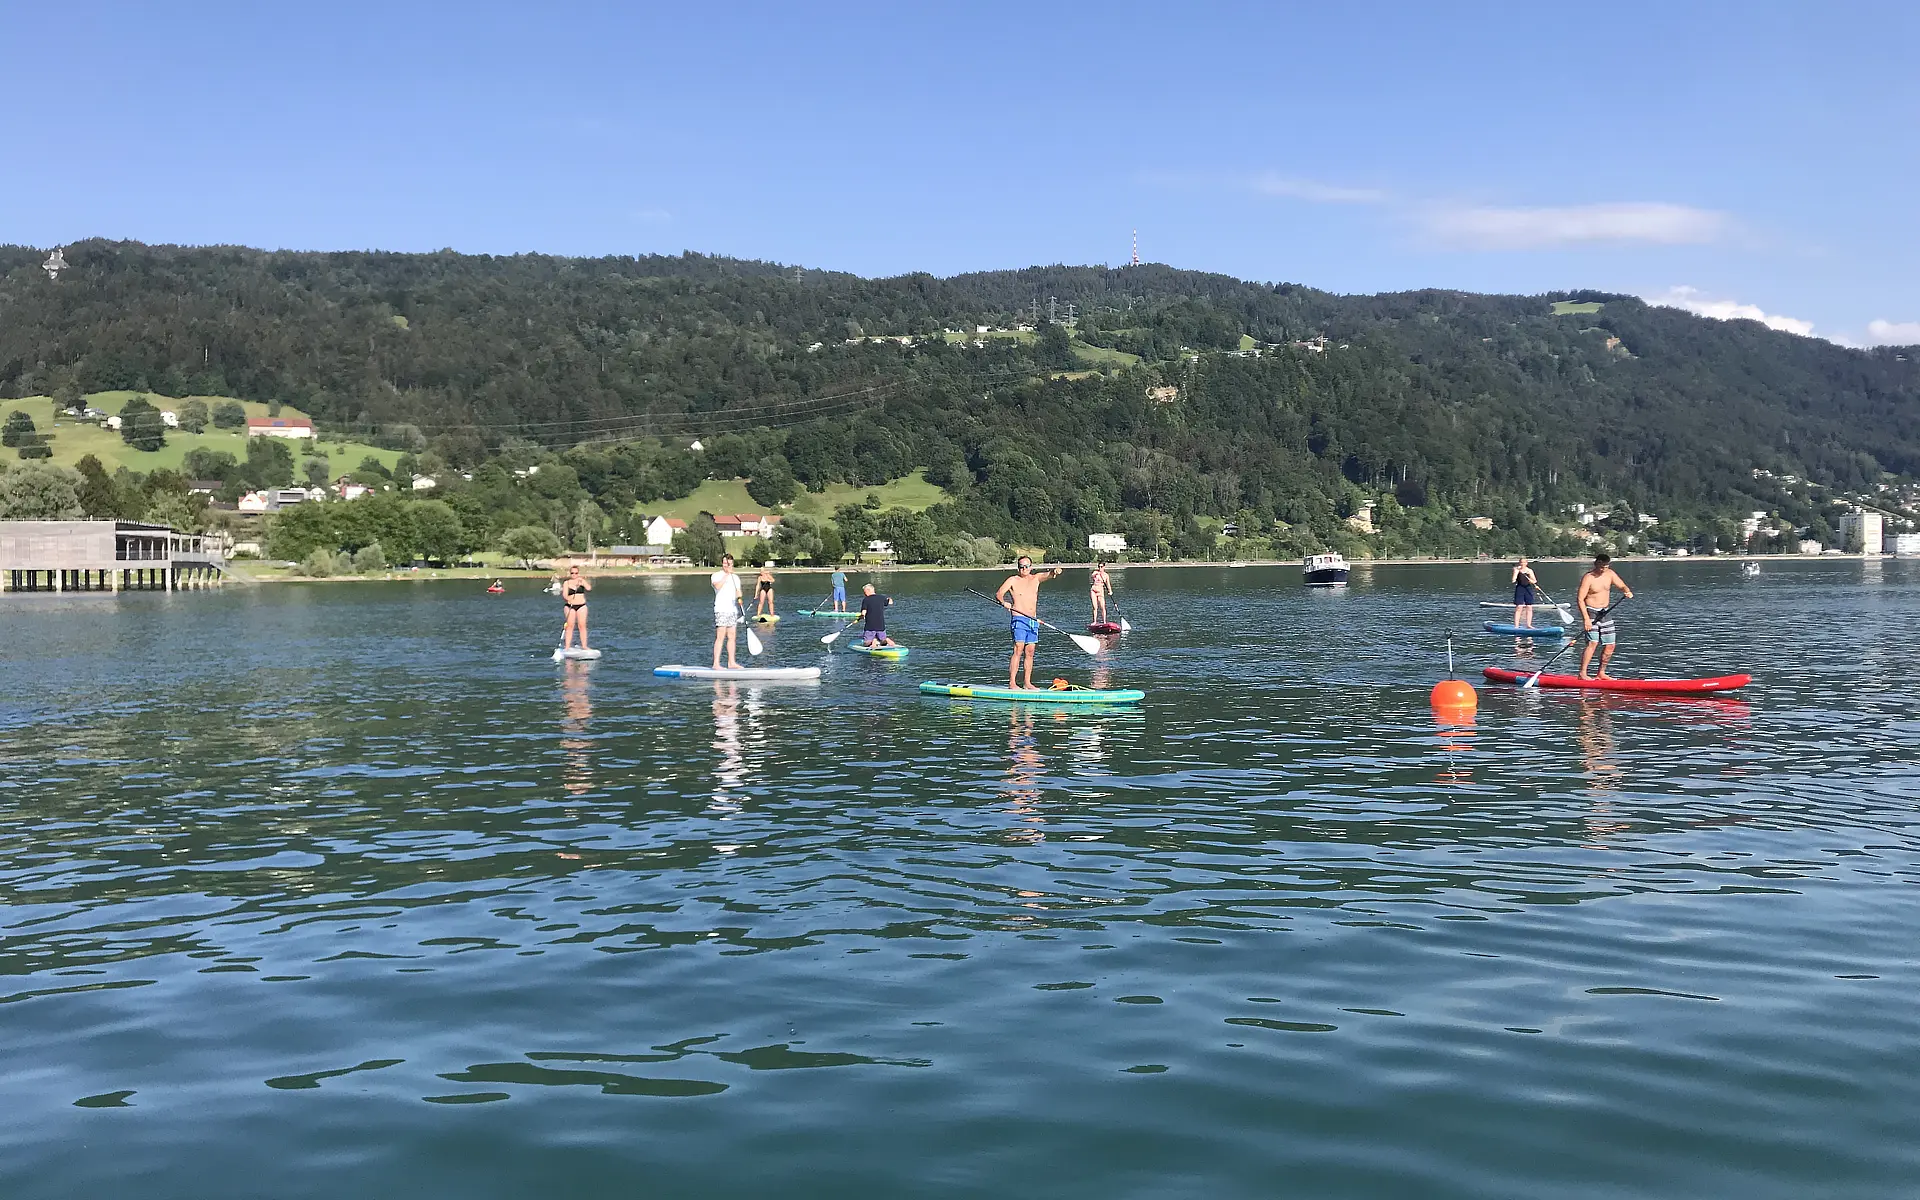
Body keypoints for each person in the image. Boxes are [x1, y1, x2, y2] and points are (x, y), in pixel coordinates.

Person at [995, 555, 1064, 690]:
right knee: (1018, 648)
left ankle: (1027, 683)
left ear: (1030, 567)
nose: (1024, 569)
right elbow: (998, 594)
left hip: (1032, 620)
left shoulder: (1036, 578)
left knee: (1030, 651)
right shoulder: (1012, 580)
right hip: (1019, 618)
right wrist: (1004, 603)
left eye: (1026, 566)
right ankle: (1012, 683)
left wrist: (1054, 572)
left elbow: (1048, 575)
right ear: (1018, 568)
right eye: (1021, 567)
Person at [1576, 552, 1635, 680]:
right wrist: (1586, 619)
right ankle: (1582, 673)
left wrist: (1626, 591)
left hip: (1605, 612)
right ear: (1596, 564)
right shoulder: (1588, 577)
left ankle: (1601, 673)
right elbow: (1580, 599)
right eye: (1601, 566)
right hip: (1591, 612)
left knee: (1610, 644)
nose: (1603, 569)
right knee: (1593, 642)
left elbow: (1622, 585)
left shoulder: (1610, 574)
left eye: (1606, 566)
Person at [711, 553, 744, 669]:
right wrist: (727, 575)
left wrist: (739, 596)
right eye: (725, 563)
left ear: (732, 564)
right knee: (720, 636)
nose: (727, 565)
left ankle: (731, 663)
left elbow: (737, 593)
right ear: (722, 563)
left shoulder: (736, 578)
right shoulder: (716, 575)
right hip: (721, 609)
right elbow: (717, 586)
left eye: (729, 563)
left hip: (732, 610)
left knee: (732, 636)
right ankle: (716, 664)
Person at [558, 564, 591, 651]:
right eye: (572, 573)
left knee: (582, 625)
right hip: (570, 607)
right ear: (570, 573)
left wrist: (583, 582)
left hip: (581, 606)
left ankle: (584, 646)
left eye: (576, 573)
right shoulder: (567, 583)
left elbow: (589, 588)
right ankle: (567, 646)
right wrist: (568, 599)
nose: (574, 575)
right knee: (570, 626)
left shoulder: (581, 581)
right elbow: (565, 594)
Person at [857, 582, 896, 647]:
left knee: (866, 644)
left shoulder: (866, 600)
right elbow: (890, 602)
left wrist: (861, 617)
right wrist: (889, 599)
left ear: (868, 590)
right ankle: (885, 639)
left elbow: (863, 612)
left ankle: (874, 640)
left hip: (870, 626)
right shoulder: (882, 598)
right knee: (883, 643)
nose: (864, 594)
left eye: (865, 592)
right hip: (881, 625)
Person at [1511, 556, 1539, 628]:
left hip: (1528, 588)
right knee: (1519, 607)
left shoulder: (1529, 571)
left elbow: (1534, 581)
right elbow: (1513, 580)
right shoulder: (1517, 570)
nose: (1522, 564)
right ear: (1519, 563)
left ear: (1526, 563)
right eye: (1521, 562)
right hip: (1520, 588)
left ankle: (1529, 625)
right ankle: (1516, 625)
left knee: (1529, 607)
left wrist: (1531, 580)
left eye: (1524, 562)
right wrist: (1516, 572)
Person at [1089, 560, 1114, 625]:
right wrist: (1096, 574)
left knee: (1102, 607)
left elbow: (1108, 584)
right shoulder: (1095, 572)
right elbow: (1092, 576)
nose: (1100, 568)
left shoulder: (1106, 575)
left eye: (1101, 567)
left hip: (1100, 592)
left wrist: (1110, 591)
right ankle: (1094, 621)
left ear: (1104, 567)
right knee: (1095, 607)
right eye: (1099, 566)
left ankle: (1104, 622)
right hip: (1093, 590)